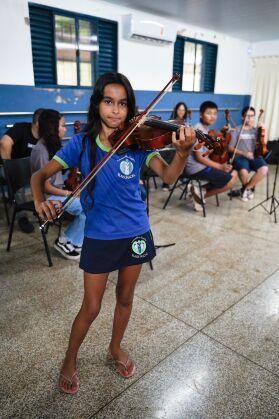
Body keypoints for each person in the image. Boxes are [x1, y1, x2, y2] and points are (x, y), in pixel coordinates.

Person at [31, 72, 196, 394]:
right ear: (97, 105)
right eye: (109, 102)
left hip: (135, 232)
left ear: (130, 109)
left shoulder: (139, 141)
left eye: (122, 104)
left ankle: (115, 347)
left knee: (125, 297)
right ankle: (69, 359)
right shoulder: (80, 143)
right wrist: (39, 200)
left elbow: (168, 176)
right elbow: (40, 175)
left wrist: (184, 153)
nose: (116, 111)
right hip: (100, 236)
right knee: (91, 307)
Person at [30, 109, 85, 260]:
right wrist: (71, 194)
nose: (65, 129)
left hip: (57, 193)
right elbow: (45, 187)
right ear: (52, 127)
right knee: (87, 206)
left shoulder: (51, 146)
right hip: (47, 198)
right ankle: (65, 240)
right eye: (62, 125)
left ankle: (73, 240)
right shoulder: (41, 151)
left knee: (90, 201)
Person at [185, 101, 237, 211]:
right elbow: (199, 157)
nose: (212, 116)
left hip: (202, 166)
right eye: (209, 113)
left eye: (214, 113)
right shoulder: (198, 130)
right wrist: (220, 166)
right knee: (231, 180)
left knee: (233, 173)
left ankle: (199, 191)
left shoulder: (206, 129)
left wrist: (222, 133)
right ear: (201, 114)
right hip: (195, 169)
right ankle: (198, 196)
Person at [0, 108, 44, 233]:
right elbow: (4, 143)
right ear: (38, 123)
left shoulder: (46, 136)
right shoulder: (21, 128)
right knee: (19, 181)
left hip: (30, 170)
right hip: (10, 169)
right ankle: (22, 216)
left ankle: (42, 209)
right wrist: (9, 168)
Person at [228, 106, 268, 202]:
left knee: (264, 169)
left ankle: (246, 189)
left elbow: (264, 144)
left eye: (252, 116)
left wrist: (264, 130)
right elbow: (230, 148)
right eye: (247, 116)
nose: (250, 119)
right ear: (242, 117)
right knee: (243, 172)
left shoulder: (256, 130)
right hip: (241, 157)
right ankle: (248, 190)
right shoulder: (236, 130)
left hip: (255, 156)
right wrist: (244, 153)